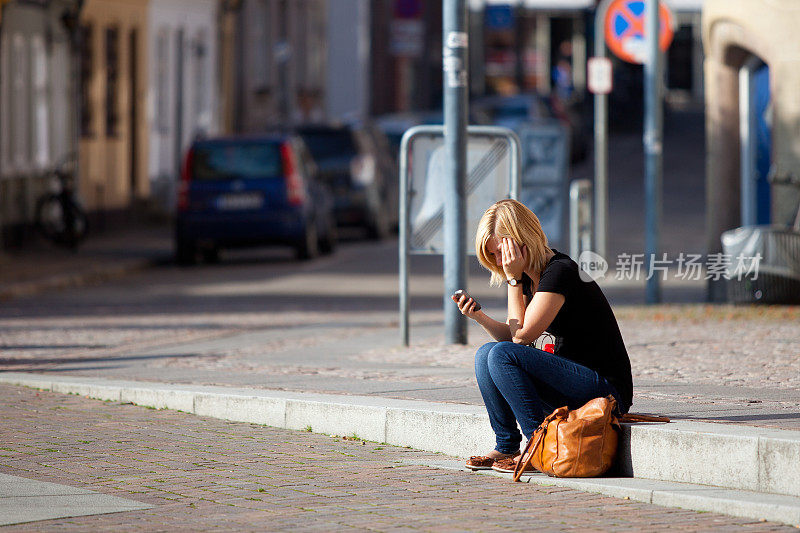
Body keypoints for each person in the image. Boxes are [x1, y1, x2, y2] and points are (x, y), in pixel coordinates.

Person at [451, 199, 633, 473]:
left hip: (605, 392)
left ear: (523, 240)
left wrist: (512, 280)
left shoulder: (560, 272)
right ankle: (506, 443)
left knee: (499, 354)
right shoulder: (528, 278)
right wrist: (478, 316)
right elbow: (513, 340)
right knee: (485, 354)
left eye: (503, 251)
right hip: (570, 384)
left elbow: (521, 337)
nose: (500, 261)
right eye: (494, 255)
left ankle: (539, 445)